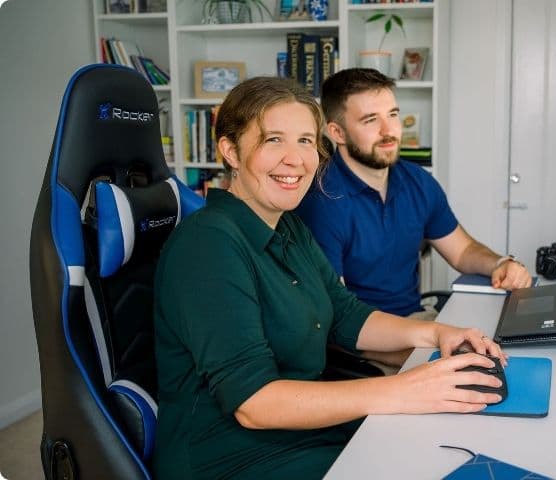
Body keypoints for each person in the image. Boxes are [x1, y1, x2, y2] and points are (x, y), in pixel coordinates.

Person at [153, 76, 508, 479]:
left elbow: (346, 315)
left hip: (304, 435)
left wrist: (438, 334)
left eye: (306, 140)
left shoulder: (288, 227)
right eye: (274, 140)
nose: (296, 159)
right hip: (231, 458)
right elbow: (254, 403)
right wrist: (403, 390)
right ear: (231, 151)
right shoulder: (208, 245)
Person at [295, 68, 532, 322]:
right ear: (337, 133)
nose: (389, 130)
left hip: (415, 319)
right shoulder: (321, 201)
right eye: (370, 120)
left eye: (393, 115)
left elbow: (462, 251)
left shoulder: (417, 181)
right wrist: (429, 339)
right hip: (363, 341)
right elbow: (338, 316)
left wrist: (500, 264)